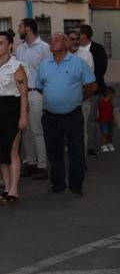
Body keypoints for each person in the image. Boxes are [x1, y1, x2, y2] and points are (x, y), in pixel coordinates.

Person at [36, 33, 97, 196]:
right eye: (51, 41)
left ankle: (76, 186)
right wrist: (55, 98)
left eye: (56, 40)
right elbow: (40, 87)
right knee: (53, 151)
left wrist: (76, 99)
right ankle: (58, 184)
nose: (52, 42)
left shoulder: (78, 63)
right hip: (50, 116)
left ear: (66, 43)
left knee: (76, 151)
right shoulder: (44, 65)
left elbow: (92, 86)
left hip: (73, 115)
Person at [0, 31, 28, 204]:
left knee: (12, 150)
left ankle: (14, 190)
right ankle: (6, 187)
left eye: (2, 43)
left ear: (10, 45)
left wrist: (23, 116)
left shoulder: (17, 66)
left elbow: (23, 94)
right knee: (0, 150)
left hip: (12, 108)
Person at [16, 18, 50, 180]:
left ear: (28, 28)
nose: (18, 29)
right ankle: (31, 162)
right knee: (25, 131)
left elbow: (49, 71)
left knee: (37, 130)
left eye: (20, 27)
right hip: (22, 94)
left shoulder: (44, 48)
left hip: (37, 93)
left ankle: (42, 166)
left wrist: (44, 92)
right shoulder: (19, 49)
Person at [77, 24, 108, 156]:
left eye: (77, 33)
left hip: (93, 89)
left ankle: (90, 146)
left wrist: (89, 84)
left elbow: (101, 69)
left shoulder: (98, 49)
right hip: (75, 90)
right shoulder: (74, 49)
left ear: (84, 35)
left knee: (91, 118)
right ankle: (77, 144)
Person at [68, 30, 95, 156]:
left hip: (82, 101)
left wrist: (80, 98)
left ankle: (81, 160)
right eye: (71, 39)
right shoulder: (60, 55)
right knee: (68, 132)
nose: (74, 41)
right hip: (64, 102)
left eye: (76, 39)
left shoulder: (86, 55)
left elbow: (89, 81)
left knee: (81, 131)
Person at [97, 87, 116, 152]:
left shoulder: (110, 103)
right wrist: (98, 118)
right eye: (113, 95)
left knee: (110, 133)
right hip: (103, 121)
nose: (113, 97)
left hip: (110, 121)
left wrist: (114, 120)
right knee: (105, 133)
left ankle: (109, 144)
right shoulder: (101, 102)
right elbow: (98, 111)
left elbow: (111, 112)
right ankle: (103, 146)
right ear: (109, 94)